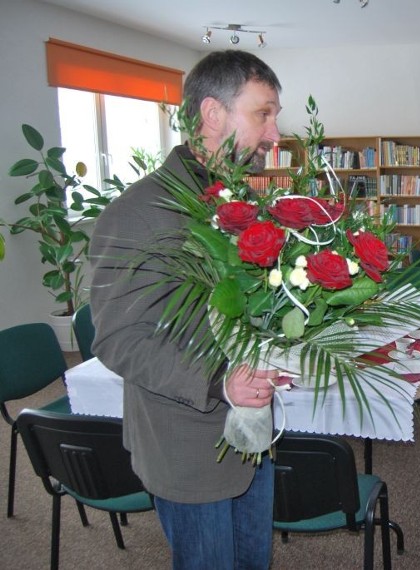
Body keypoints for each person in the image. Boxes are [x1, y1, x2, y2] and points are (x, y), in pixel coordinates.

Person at [89, 51, 283, 569]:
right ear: (214, 115)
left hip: (252, 435)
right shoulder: (135, 214)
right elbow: (118, 339)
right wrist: (221, 381)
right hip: (187, 450)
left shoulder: (241, 206)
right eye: (263, 114)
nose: (275, 135)